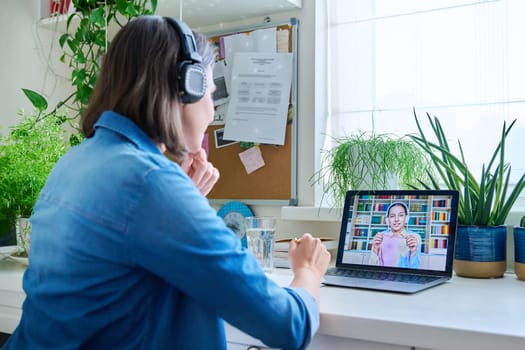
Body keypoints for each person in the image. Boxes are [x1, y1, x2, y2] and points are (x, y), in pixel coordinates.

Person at [4, 16, 330, 350]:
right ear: (186, 85)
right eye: (211, 94)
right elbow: (287, 325)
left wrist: (184, 198)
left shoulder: (72, 163)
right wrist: (308, 271)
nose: (210, 112)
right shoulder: (150, 182)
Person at [369, 202, 421, 268]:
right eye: (392, 216)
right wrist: (375, 249)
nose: (396, 219)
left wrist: (413, 252)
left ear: (406, 218)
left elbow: (415, 269)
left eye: (401, 215)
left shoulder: (415, 237)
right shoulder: (380, 237)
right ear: (387, 220)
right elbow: (372, 267)